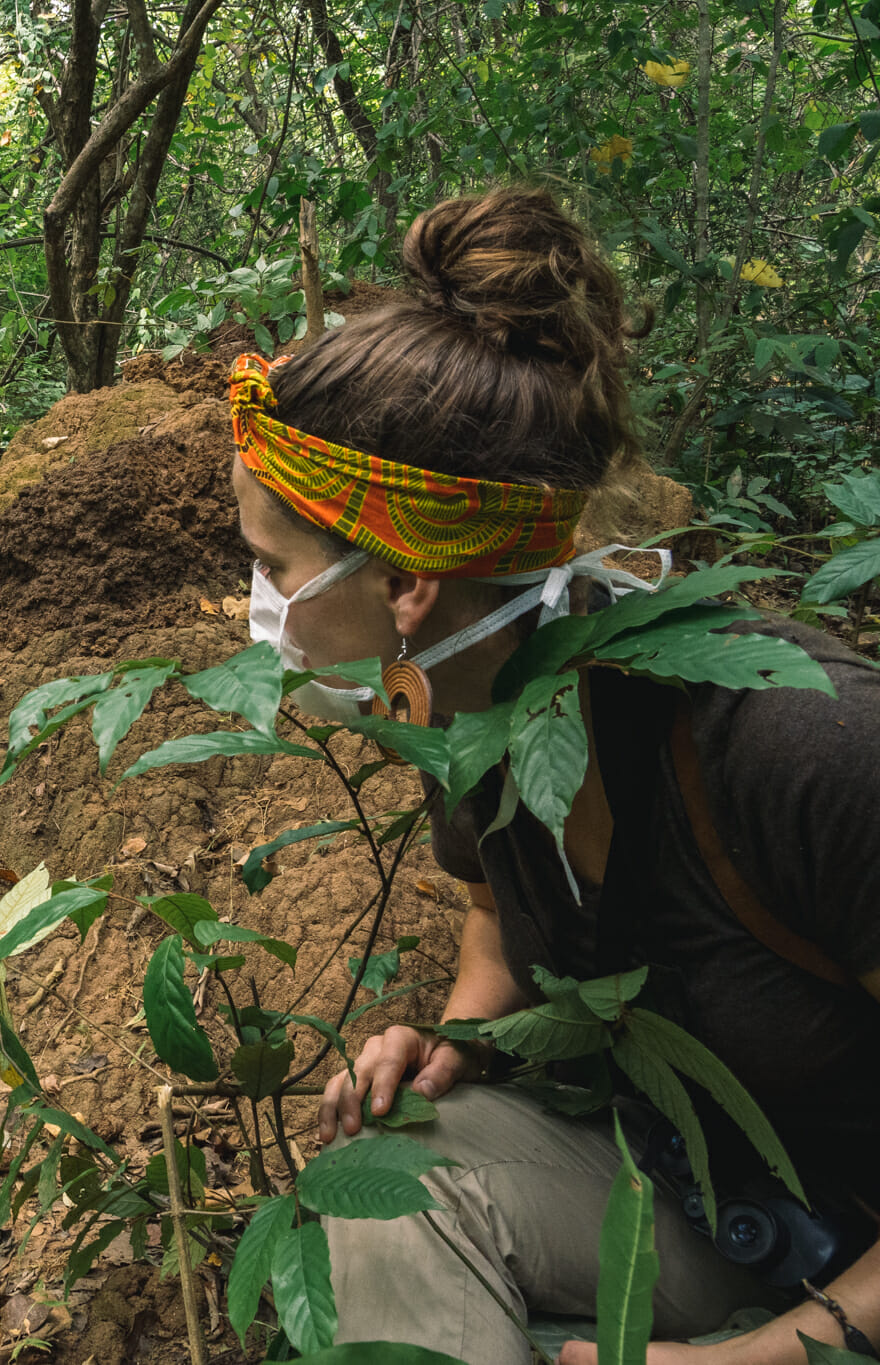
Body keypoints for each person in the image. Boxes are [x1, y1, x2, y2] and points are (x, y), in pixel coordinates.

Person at [226, 185, 880, 1365]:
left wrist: (768, 1354)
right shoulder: (465, 697)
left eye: (272, 566)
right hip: (703, 1196)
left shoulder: (802, 749)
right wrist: (461, 1035)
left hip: (855, 1259)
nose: (255, 607)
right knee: (375, 1193)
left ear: (403, 584)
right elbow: (492, 908)